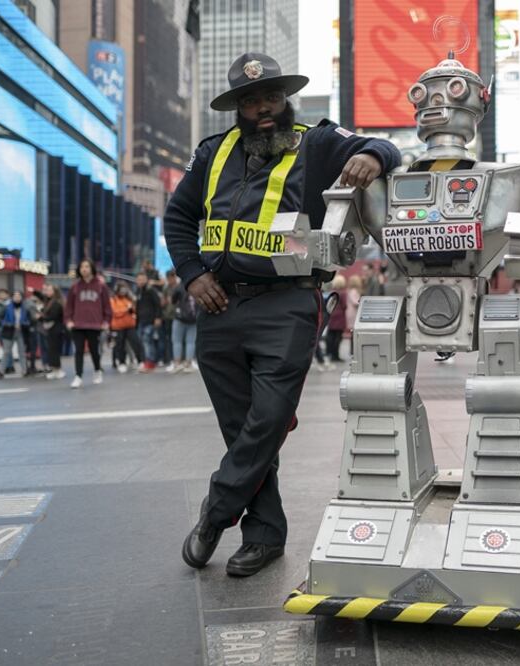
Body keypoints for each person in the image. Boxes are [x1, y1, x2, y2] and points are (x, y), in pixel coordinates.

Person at [165, 52, 400, 577]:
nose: (263, 108)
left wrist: (376, 159)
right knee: (242, 430)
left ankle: (215, 512)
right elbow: (178, 217)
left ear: (284, 99)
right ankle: (266, 536)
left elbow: (383, 144)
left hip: (288, 304)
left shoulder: (316, 143)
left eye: (271, 97)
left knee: (268, 420)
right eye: (251, 101)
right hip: (219, 304)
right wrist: (192, 275)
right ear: (237, 109)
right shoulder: (211, 154)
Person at [65, 258, 112, 389]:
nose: (84, 269)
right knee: (78, 350)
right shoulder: (75, 287)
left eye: (86, 266)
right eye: (82, 267)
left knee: (94, 350)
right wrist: (68, 320)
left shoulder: (101, 286)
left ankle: (97, 370)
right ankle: (78, 376)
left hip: (95, 324)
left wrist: (106, 321)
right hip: (77, 324)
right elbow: (69, 306)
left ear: (91, 268)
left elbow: (107, 306)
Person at [110, 282, 144, 373]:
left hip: (130, 325)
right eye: (121, 288)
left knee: (136, 343)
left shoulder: (129, 299)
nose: (123, 291)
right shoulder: (113, 300)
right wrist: (126, 310)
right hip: (118, 326)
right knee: (120, 346)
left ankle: (141, 361)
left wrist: (133, 307)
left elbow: (134, 311)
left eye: (125, 288)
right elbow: (115, 312)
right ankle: (122, 363)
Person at [0, 291, 33, 378]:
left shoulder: (25, 308)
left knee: (22, 352)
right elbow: (0, 318)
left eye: (19, 296)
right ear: (12, 298)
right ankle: (1, 371)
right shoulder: (6, 307)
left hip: (21, 332)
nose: (17, 298)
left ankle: (24, 370)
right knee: (6, 352)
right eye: (15, 296)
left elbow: (30, 320)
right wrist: (9, 325)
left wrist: (23, 324)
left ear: (21, 297)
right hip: (8, 331)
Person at [169, 278, 199, 373]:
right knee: (191, 342)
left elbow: (173, 300)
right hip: (194, 318)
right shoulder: (198, 285)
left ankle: (177, 363)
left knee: (177, 341)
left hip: (180, 318)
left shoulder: (180, 286)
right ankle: (188, 363)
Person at [135, 272, 163, 371]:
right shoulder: (138, 291)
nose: (141, 281)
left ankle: (150, 361)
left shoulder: (151, 290)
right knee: (142, 341)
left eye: (143, 279)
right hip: (141, 320)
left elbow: (158, 304)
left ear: (146, 279)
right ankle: (146, 360)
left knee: (147, 340)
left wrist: (158, 317)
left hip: (150, 320)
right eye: (139, 279)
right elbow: (137, 306)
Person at [39, 283, 66, 380]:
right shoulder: (48, 301)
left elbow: (53, 316)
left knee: (55, 350)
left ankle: (58, 370)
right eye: (47, 290)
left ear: (55, 292)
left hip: (57, 329)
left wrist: (41, 317)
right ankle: (53, 370)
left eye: (50, 290)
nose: (47, 292)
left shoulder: (57, 302)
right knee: (51, 350)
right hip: (50, 329)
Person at [324, 275, 347, 365]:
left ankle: (329, 353)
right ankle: (336, 355)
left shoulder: (332, 292)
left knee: (330, 336)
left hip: (332, 315)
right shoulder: (343, 293)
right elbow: (345, 305)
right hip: (340, 316)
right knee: (338, 337)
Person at [160, 269, 179, 367]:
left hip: (178, 316)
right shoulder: (166, 288)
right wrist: (165, 301)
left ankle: (179, 358)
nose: (170, 280)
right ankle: (170, 358)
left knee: (177, 339)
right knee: (169, 338)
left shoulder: (180, 287)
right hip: (168, 315)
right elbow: (162, 302)